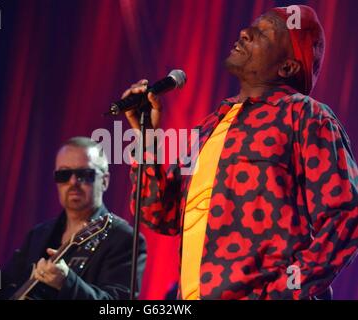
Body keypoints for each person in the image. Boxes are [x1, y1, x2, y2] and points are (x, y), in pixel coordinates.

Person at [123, 5, 358, 300]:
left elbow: (345, 216)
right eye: (251, 26)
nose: (245, 33)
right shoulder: (210, 126)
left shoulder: (305, 115)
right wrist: (147, 138)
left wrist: (285, 290)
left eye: (264, 33)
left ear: (287, 67)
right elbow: (158, 214)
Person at [0, 137, 146, 299]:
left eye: (84, 174)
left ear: (104, 181)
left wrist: (67, 282)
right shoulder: (39, 235)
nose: (73, 182)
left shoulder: (125, 239)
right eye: (64, 175)